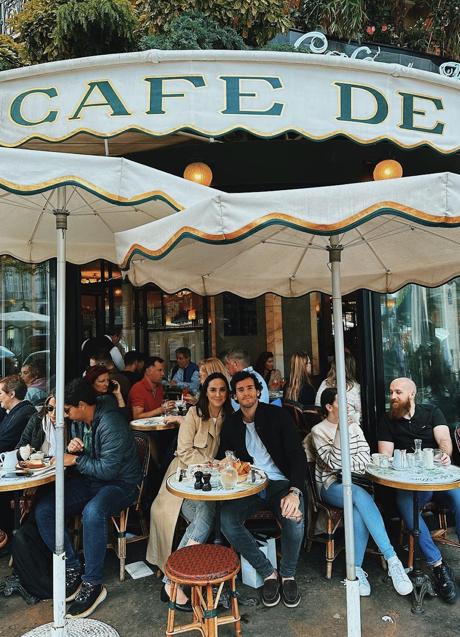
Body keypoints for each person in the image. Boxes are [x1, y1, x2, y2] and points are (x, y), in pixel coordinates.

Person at [34, 379, 141, 618]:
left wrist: (76, 460)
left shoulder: (112, 423)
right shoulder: (81, 420)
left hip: (121, 484)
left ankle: (93, 583)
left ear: (82, 405)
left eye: (68, 410)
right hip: (92, 480)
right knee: (45, 509)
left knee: (93, 512)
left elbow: (108, 470)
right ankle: (72, 568)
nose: (66, 415)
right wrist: (76, 447)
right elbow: (90, 456)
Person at [310, 387, 413, 597]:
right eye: (342, 402)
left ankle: (356, 569)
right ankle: (392, 557)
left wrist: (347, 463)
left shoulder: (355, 426)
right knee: (355, 494)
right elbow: (334, 464)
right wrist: (340, 432)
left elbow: (366, 458)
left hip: (358, 485)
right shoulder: (318, 431)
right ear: (329, 406)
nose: (348, 406)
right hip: (331, 487)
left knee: (357, 503)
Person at [218, 371, 306, 609]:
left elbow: (298, 457)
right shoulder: (232, 424)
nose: (245, 393)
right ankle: (268, 573)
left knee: (294, 518)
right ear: (235, 396)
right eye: (240, 390)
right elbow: (224, 456)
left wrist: (295, 492)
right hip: (250, 487)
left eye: (249, 388)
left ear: (258, 391)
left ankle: (287, 575)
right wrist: (225, 463)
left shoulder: (278, 416)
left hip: (280, 484)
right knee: (226, 520)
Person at [147, 372, 232, 609]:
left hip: (211, 485)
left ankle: (172, 582)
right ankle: (180, 582)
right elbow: (184, 451)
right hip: (181, 483)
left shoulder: (229, 418)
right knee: (206, 519)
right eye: (213, 389)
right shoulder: (194, 414)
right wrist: (212, 464)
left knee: (205, 519)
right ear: (206, 392)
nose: (217, 394)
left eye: (222, 390)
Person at [378, 377, 459, 603]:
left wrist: (444, 453)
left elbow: (444, 440)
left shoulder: (432, 412)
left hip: (437, 478)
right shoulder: (387, 419)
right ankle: (438, 565)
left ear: (411, 394)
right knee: (407, 506)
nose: (392, 396)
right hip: (409, 483)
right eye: (391, 392)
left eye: (397, 392)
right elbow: (384, 454)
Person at [315, 353, 361, 425]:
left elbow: (317, 406)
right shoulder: (355, 388)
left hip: (326, 426)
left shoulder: (324, 383)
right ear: (352, 367)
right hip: (348, 429)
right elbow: (362, 414)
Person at [0, 375, 36, 452]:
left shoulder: (25, 412)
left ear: (12, 394)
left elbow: (5, 443)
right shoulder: (11, 411)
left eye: (0, 393)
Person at [16, 391, 57, 458]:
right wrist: (25, 451)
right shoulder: (37, 419)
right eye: (50, 408)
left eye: (59, 409)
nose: (53, 414)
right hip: (37, 465)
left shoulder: (71, 424)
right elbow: (20, 447)